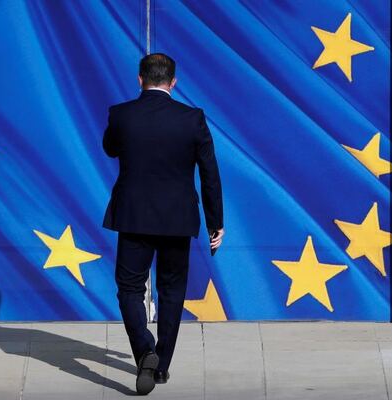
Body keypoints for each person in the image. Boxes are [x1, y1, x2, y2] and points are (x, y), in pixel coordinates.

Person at [102, 53, 224, 395]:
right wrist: (217, 222)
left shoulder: (121, 114)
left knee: (129, 288)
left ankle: (145, 351)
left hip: (134, 217)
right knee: (172, 291)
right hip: (177, 218)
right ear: (174, 82)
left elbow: (110, 148)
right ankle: (161, 365)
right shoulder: (192, 119)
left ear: (140, 79)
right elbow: (210, 174)